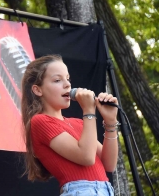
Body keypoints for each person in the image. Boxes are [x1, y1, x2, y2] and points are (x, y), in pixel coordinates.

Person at [21, 55, 119, 196]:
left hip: (105, 190)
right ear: (37, 90)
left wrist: (110, 121)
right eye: (57, 80)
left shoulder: (78, 123)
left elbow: (109, 164)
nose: (67, 84)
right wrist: (89, 110)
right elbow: (87, 157)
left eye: (68, 79)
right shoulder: (40, 121)